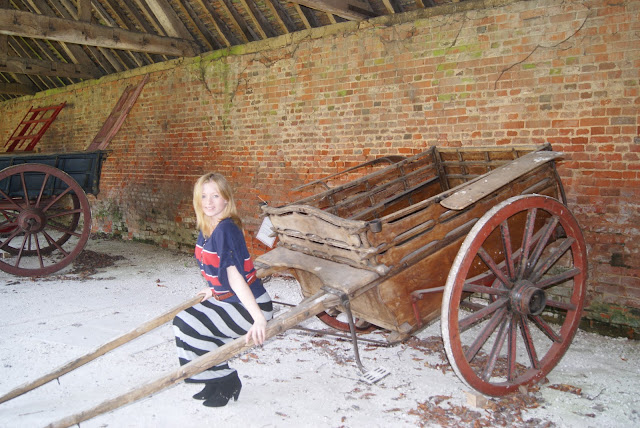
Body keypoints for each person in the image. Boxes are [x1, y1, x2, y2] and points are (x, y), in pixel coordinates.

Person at [173, 173, 273, 407]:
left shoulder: (226, 229)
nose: (208, 202)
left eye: (215, 196)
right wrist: (214, 288)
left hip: (249, 306)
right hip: (229, 299)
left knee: (190, 325)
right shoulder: (209, 226)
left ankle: (225, 380)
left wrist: (259, 318)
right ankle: (214, 378)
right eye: (204, 196)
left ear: (226, 199)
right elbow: (216, 267)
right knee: (183, 322)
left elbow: (236, 278)